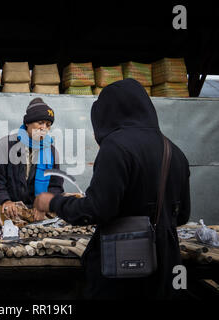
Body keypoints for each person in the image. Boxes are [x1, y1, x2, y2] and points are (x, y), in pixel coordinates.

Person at [34, 78, 191, 299]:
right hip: (167, 268)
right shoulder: (174, 151)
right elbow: (183, 215)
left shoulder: (117, 147)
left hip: (123, 268)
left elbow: (95, 210)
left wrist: (52, 201)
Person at [0, 97, 64, 220]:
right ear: (27, 123)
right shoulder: (5, 145)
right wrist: (5, 201)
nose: (44, 128)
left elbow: (56, 186)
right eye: (40, 123)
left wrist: (44, 205)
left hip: (38, 209)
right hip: (12, 208)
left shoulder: (52, 152)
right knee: (4, 215)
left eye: (48, 125)